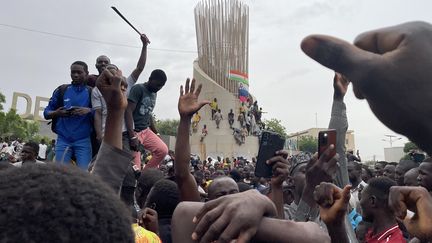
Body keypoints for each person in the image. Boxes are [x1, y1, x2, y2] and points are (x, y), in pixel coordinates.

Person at [92, 34, 150, 144]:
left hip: (126, 133)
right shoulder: (97, 90)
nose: (110, 71)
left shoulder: (125, 84)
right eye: (108, 70)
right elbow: (98, 114)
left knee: (127, 161)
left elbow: (140, 68)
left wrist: (144, 46)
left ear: (118, 72)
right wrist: (99, 135)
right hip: (107, 133)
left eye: (113, 69)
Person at [44, 61, 93, 170]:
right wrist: (57, 113)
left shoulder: (91, 92)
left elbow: (101, 113)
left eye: (79, 72)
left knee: (84, 176)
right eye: (73, 72)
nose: (75, 75)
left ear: (86, 73)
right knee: (59, 174)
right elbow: (46, 113)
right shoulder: (61, 90)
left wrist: (89, 110)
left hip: (83, 140)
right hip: (63, 139)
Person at [125, 69, 168, 169]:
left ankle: (144, 176)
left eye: (161, 86)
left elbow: (149, 113)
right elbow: (128, 111)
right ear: (150, 79)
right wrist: (132, 137)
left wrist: (156, 132)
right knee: (135, 167)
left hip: (146, 131)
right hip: (135, 132)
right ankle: (137, 177)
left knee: (163, 150)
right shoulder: (138, 89)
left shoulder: (154, 93)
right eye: (157, 85)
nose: (159, 88)